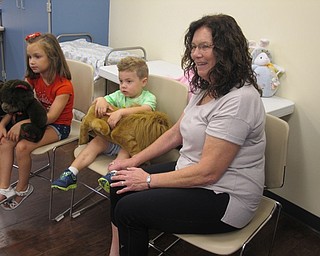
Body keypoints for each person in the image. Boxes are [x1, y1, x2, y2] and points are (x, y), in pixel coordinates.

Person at [105, 14, 266, 256]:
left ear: (226, 50)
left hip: (225, 197)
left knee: (130, 209)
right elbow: (175, 134)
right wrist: (132, 162)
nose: (195, 54)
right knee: (119, 183)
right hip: (193, 175)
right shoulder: (207, 86)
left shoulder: (240, 100)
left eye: (204, 46)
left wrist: (147, 181)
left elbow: (209, 172)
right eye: (193, 46)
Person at [51, 56, 156, 192]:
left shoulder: (148, 97)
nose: (123, 85)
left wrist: (121, 112)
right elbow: (104, 100)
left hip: (130, 143)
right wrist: (101, 100)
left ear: (143, 82)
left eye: (129, 81)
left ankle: (113, 174)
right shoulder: (119, 95)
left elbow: (147, 109)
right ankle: (71, 173)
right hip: (111, 140)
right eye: (121, 81)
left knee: (125, 150)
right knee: (95, 142)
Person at [0, 32, 74, 210]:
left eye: (37, 56)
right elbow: (18, 103)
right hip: (34, 121)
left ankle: (22, 189)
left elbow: (51, 117)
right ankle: (3, 188)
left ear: (53, 57)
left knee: (22, 147)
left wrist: (20, 124)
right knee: (5, 142)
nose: (32, 61)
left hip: (58, 126)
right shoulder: (32, 78)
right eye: (29, 57)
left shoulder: (64, 86)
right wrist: (3, 123)